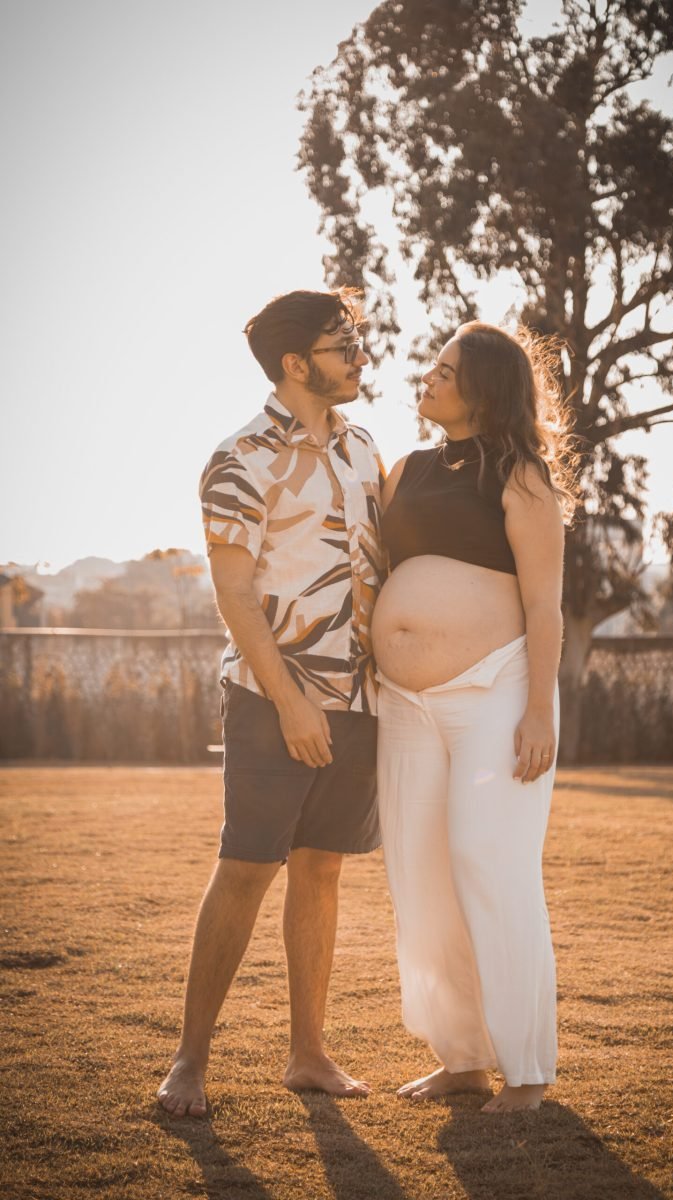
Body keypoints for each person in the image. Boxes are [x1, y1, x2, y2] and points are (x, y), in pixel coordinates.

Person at [158, 289, 384, 1117]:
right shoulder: (240, 458)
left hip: (359, 698)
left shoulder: (365, 449)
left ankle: (308, 1055)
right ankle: (189, 1062)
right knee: (248, 866)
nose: (360, 356)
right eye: (343, 345)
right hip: (269, 698)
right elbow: (234, 595)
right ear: (296, 363)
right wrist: (290, 702)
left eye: (356, 340)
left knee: (322, 868)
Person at [375, 321, 574, 1113]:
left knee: (488, 863)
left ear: (484, 388)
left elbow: (545, 606)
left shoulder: (521, 476)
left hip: (499, 688)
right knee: (420, 876)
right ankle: (462, 1060)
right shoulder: (407, 470)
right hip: (405, 704)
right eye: (431, 366)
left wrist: (538, 712)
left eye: (445, 370)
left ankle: (528, 1071)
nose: (426, 378)